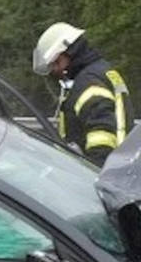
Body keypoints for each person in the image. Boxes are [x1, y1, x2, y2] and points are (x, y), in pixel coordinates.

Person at [32, 22, 133, 166]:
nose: (56, 72)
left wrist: (92, 170)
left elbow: (102, 133)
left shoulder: (88, 82)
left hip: (105, 170)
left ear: (65, 54)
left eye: (55, 64)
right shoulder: (102, 71)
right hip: (121, 165)